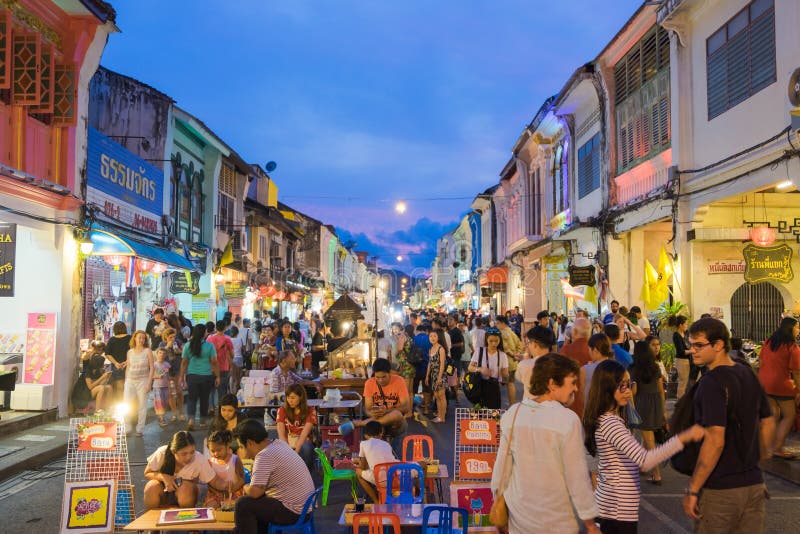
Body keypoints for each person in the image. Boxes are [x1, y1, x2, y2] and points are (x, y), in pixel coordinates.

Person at [584, 359, 703, 533]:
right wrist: (683, 438)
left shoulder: (608, 419)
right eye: (622, 386)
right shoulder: (611, 424)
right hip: (616, 511)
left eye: (629, 384)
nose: (629, 391)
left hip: (615, 509)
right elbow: (645, 460)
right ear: (607, 389)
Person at [683, 318, 775, 533]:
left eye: (699, 345)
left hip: (721, 490)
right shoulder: (747, 374)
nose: (692, 351)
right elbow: (768, 422)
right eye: (691, 345)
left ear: (718, 345)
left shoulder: (711, 382)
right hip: (753, 485)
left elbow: (715, 440)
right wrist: (755, 460)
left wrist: (693, 489)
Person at [492, 353, 598, 533]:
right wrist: (589, 522)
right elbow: (577, 476)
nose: (576, 389)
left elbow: (502, 469)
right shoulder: (567, 420)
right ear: (552, 384)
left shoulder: (514, 413)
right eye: (572, 382)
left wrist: (499, 504)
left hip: (520, 516)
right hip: (557, 520)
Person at [233, 418, 315, 534]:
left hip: (294, 512)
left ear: (250, 443)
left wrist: (245, 486)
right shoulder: (278, 443)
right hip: (305, 507)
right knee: (257, 504)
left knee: (243, 504)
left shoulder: (264, 455)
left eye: (241, 447)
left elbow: (256, 492)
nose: (241, 451)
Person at [143, 430, 233, 510]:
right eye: (184, 454)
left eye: (192, 452)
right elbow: (147, 473)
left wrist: (228, 485)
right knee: (151, 487)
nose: (189, 457)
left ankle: (189, 524)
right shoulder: (162, 453)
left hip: (187, 495)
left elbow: (214, 480)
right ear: (173, 451)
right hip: (164, 492)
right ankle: (153, 525)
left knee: (184, 487)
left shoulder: (199, 459)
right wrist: (164, 477)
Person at [757, 316, 800, 459]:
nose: (798, 329)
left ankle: (766, 446)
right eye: (797, 327)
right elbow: (796, 372)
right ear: (791, 328)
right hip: (781, 384)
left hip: (764, 382)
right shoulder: (792, 347)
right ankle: (777, 447)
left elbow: (761, 361)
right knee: (789, 415)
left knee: (773, 415)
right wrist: (799, 390)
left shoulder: (769, 342)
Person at [631, 341, 669, 485]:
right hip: (656, 402)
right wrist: (664, 410)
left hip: (642, 403)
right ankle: (644, 466)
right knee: (649, 436)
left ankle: (656, 474)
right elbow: (660, 389)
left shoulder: (634, 368)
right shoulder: (655, 366)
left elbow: (634, 390)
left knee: (649, 439)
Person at [180, 324, 220, 430]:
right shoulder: (209, 346)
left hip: (192, 376)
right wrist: (217, 376)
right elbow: (214, 362)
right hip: (206, 376)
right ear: (204, 334)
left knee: (191, 398)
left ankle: (191, 420)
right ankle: (202, 421)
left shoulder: (188, 345)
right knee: (204, 398)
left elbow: (184, 363)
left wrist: (181, 377)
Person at [276, 383, 317, 470]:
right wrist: (288, 452)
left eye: (293, 398)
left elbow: (304, 435)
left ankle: (306, 476)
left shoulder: (310, 410)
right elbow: (281, 434)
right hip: (287, 445)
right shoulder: (282, 410)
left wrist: (294, 454)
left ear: (301, 397)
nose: (290, 400)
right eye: (288, 397)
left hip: (303, 444)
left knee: (307, 448)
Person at [355, 420, 398, 502]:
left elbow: (363, 467)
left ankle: (376, 500)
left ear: (365, 435)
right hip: (395, 478)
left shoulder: (363, 444)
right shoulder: (386, 444)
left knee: (358, 472)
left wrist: (358, 462)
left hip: (380, 480)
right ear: (381, 433)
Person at [467, 327, 509, 409]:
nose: (494, 344)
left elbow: (505, 376)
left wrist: (505, 375)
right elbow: (470, 367)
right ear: (486, 340)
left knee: (493, 416)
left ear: (500, 340)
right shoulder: (479, 351)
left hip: (494, 388)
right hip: (479, 387)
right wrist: (480, 369)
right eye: (491, 341)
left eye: (496, 341)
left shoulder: (502, 355)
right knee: (479, 416)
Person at [204, 430, 245, 508]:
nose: (216, 453)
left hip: (234, 491)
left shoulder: (235, 460)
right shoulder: (210, 462)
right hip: (215, 493)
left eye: (219, 450)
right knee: (210, 507)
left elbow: (241, 479)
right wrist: (217, 493)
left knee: (234, 506)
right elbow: (209, 483)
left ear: (227, 446)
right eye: (212, 451)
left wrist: (230, 491)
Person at [124, 330, 154, 436]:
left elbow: (152, 368)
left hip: (143, 381)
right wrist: (126, 379)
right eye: (139, 337)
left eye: (143, 338)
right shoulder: (130, 352)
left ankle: (140, 429)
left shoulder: (148, 351)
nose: (141, 340)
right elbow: (128, 366)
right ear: (135, 338)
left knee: (142, 405)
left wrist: (149, 383)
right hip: (130, 381)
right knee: (127, 404)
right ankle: (127, 427)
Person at [517, 326, 555, 401]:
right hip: (552, 408)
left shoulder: (524, 365)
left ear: (534, 344)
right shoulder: (558, 363)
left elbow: (519, 377)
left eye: (528, 342)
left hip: (530, 408)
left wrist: (525, 358)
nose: (527, 345)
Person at [73, 341, 113, 412]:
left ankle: (107, 408)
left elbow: (100, 383)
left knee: (109, 387)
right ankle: (97, 411)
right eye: (100, 350)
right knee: (101, 388)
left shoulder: (97, 370)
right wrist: (103, 377)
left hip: (91, 388)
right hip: (83, 393)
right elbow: (90, 386)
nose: (101, 353)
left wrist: (106, 377)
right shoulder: (88, 370)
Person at [497, 316, 523, 404]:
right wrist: (517, 354)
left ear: (503, 323)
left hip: (505, 363)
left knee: (508, 385)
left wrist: (513, 356)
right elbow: (519, 344)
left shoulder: (502, 333)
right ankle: (512, 405)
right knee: (511, 384)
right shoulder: (512, 332)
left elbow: (505, 348)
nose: (497, 325)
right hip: (513, 363)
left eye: (498, 323)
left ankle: (510, 405)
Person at [207, 320, 234, 403]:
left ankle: (210, 408)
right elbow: (232, 355)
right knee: (222, 390)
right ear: (225, 328)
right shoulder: (227, 339)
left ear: (216, 327)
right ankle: (221, 408)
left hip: (211, 367)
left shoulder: (209, 338)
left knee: (211, 390)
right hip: (223, 368)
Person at [104, 321, 131, 402]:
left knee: (119, 388)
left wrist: (116, 363)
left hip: (116, 366)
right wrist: (126, 362)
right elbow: (133, 351)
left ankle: (120, 405)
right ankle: (129, 406)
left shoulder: (112, 340)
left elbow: (107, 354)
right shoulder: (130, 338)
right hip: (129, 365)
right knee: (129, 388)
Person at [162, 328, 186, 422]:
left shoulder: (178, 342)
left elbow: (184, 353)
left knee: (179, 392)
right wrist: (167, 347)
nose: (172, 339)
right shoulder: (162, 344)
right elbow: (160, 356)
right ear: (166, 337)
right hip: (168, 371)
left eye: (174, 337)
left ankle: (181, 413)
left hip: (178, 369)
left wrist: (179, 351)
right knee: (171, 393)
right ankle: (174, 413)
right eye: (170, 337)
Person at [425, 329, 448, 423]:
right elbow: (429, 364)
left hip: (440, 375)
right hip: (433, 375)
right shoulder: (430, 349)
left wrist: (439, 377)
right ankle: (439, 416)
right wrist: (427, 376)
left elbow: (442, 364)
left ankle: (442, 417)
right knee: (436, 396)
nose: (432, 338)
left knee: (441, 396)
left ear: (438, 337)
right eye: (430, 336)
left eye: (434, 336)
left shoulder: (441, 349)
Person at [152, 345, 172, 427]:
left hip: (166, 386)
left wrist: (170, 384)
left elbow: (168, 375)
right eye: (160, 353)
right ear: (156, 354)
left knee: (165, 402)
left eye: (163, 353)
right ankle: (161, 418)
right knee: (159, 402)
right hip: (157, 386)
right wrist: (158, 377)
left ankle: (161, 416)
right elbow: (151, 376)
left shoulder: (167, 364)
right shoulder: (154, 364)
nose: (161, 355)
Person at [673, 315, 692, 397]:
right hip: (681, 360)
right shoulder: (676, 335)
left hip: (687, 360)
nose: (687, 326)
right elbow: (681, 351)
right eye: (686, 324)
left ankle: (684, 401)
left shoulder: (686, 333)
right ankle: (680, 402)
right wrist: (692, 351)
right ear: (680, 325)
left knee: (686, 382)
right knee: (682, 382)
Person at [229, 325, 245, 394]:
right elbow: (243, 349)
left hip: (232, 359)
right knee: (238, 375)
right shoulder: (240, 339)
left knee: (232, 375)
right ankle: (237, 389)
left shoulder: (229, 340)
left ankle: (231, 390)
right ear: (237, 333)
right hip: (239, 358)